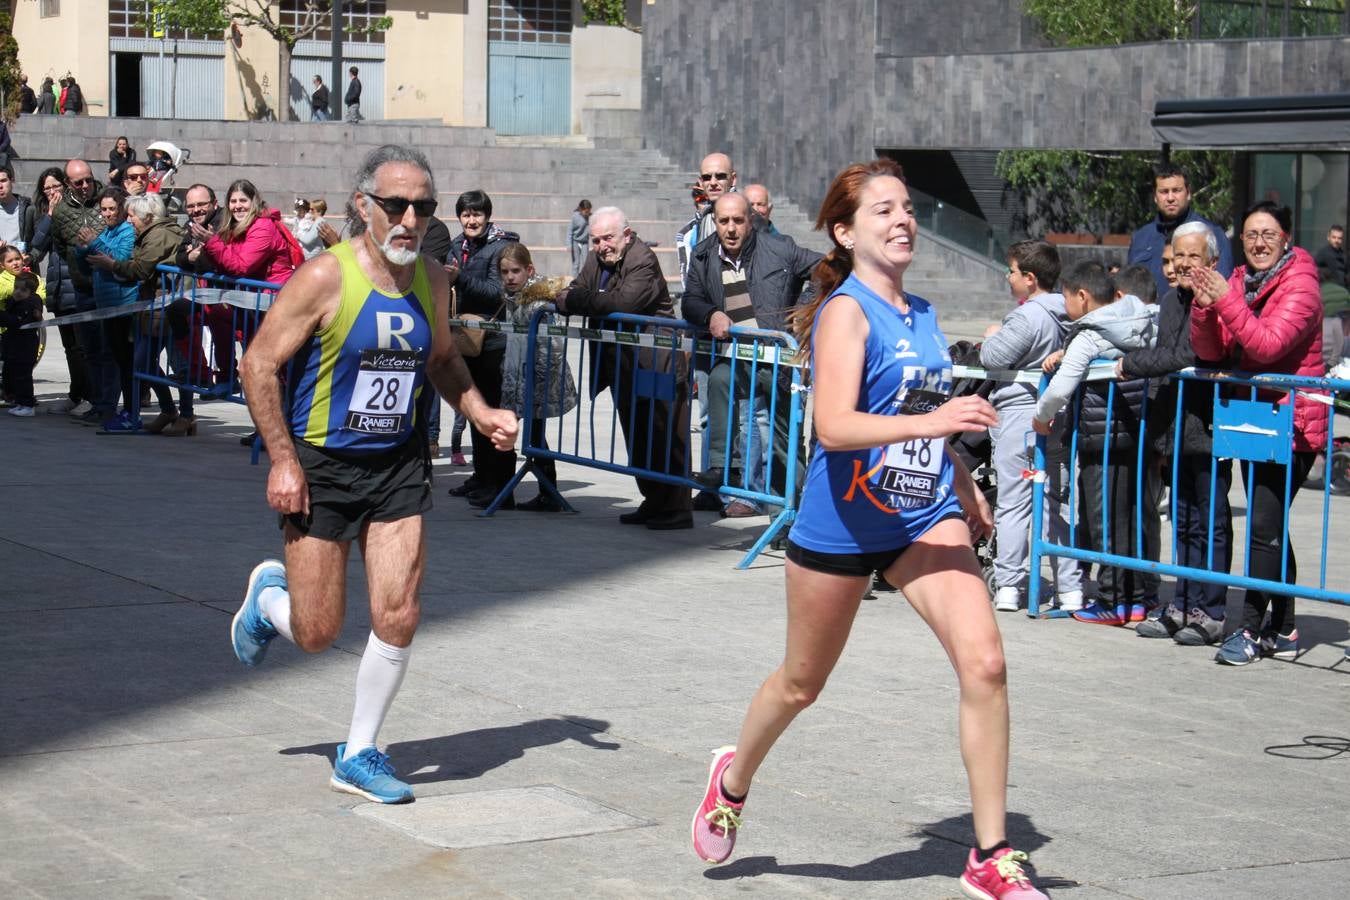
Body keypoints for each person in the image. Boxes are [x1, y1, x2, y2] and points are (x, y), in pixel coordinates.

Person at [689, 159, 1048, 899]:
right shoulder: (845, 312)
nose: (903, 219)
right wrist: (944, 421)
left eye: (908, 207)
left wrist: (957, 478)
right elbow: (835, 424)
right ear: (847, 233)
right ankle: (733, 779)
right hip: (843, 527)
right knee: (800, 684)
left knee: (985, 665)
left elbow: (918, 414)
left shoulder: (921, 315)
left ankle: (989, 854)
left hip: (922, 516)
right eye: (883, 210)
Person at [230, 144, 518, 804]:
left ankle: (359, 750)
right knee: (317, 632)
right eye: (396, 205)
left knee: (400, 611)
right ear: (364, 206)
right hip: (322, 465)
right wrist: (281, 461)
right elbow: (258, 364)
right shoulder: (325, 277)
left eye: (423, 206)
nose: (410, 219)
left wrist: (480, 412)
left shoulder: (433, 278)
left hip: (397, 465)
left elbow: (443, 360)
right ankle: (269, 600)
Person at [1190, 202, 1325, 666]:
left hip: (1294, 426)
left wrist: (1224, 302)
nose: (1259, 243)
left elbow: (1267, 345)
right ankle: (1284, 624)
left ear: (1285, 238)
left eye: (1268, 233)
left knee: (1263, 528)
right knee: (1271, 528)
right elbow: (1214, 351)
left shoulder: (1302, 285)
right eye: (1250, 235)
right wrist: (1205, 309)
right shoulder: (1239, 283)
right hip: (1256, 420)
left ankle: (1245, 629)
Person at [1119, 223, 1233, 645]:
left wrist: (1136, 362)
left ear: (1213, 263)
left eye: (1193, 256)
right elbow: (1173, 356)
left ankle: (1213, 610)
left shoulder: (1219, 302)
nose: (1183, 264)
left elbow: (1189, 355)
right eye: (1177, 256)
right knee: (1183, 520)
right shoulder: (1170, 302)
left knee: (1212, 521)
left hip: (1209, 425)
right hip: (1176, 427)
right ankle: (1183, 601)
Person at [555, 206, 694, 529]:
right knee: (638, 436)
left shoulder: (642, 259)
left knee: (665, 437)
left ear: (627, 235)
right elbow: (579, 287)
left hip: (656, 361)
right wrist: (579, 296)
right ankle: (653, 500)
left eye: (608, 238)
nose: (602, 246)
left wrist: (575, 300)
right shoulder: (596, 259)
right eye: (596, 240)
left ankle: (676, 508)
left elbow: (621, 303)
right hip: (624, 365)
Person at [1032, 260, 1155, 625]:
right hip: (1138, 433)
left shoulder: (1090, 332)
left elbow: (1061, 388)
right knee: (1132, 520)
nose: (1066, 307)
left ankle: (1112, 601)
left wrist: (1041, 416)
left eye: (1067, 299)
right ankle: (1138, 597)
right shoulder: (1143, 320)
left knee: (1103, 523)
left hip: (1099, 437)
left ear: (1083, 297)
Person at [681, 192, 819, 517]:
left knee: (782, 441)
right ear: (714, 222)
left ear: (751, 221)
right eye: (723, 221)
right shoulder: (702, 256)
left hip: (778, 359)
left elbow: (826, 270)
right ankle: (720, 467)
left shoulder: (780, 249)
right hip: (740, 357)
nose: (730, 229)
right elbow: (690, 300)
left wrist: (801, 312)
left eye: (738, 221)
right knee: (718, 380)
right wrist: (711, 314)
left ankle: (787, 518)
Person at [979, 239, 1082, 613]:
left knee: (1014, 504)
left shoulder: (1028, 317)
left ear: (1030, 278)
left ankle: (1009, 584)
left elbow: (994, 356)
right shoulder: (1069, 313)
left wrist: (990, 336)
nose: (1008, 277)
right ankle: (1070, 586)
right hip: (1058, 415)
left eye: (1012, 271)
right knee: (1057, 501)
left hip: (1022, 415)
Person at [84, 192, 190, 435]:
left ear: (149, 216)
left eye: (131, 215)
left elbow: (139, 268)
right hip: (152, 306)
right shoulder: (147, 234)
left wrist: (111, 264)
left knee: (177, 364)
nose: (128, 220)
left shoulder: (159, 235)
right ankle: (168, 410)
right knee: (143, 362)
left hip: (166, 306)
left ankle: (185, 414)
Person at [446, 189, 520, 507]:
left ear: (487, 216)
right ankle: (482, 476)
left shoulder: (501, 248)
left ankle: (502, 487)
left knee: (493, 412)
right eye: (466, 214)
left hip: (494, 344)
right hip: (467, 341)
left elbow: (496, 292)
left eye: (477, 214)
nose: (471, 220)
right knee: (474, 411)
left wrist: (460, 278)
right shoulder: (456, 246)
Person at [498, 243, 577, 511]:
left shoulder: (538, 303)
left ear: (529, 270)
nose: (510, 277)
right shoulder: (515, 296)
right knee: (534, 438)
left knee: (535, 438)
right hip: (522, 377)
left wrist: (534, 382)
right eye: (505, 272)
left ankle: (549, 492)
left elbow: (550, 349)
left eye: (515, 271)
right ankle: (547, 492)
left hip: (539, 382)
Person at [26, 166, 93, 414]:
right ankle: (76, 394)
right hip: (58, 286)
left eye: (56, 186)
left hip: (77, 283)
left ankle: (90, 395)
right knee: (70, 347)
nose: (52, 192)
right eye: (47, 189)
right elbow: (37, 245)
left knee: (84, 345)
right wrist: (51, 215)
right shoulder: (46, 214)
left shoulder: (79, 209)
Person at [73, 187, 137, 431]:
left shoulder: (126, 231)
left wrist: (95, 243)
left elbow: (119, 259)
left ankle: (115, 406)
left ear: (121, 209)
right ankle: (103, 404)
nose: (108, 214)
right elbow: (90, 267)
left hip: (123, 304)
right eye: (104, 209)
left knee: (118, 359)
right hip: (105, 303)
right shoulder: (107, 232)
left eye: (112, 209)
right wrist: (81, 250)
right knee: (105, 355)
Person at [1127, 161, 1233, 301]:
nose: (1170, 198)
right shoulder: (1141, 238)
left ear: (1188, 193)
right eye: (1164, 192)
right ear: (1155, 196)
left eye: (1176, 191)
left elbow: (1222, 289)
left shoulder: (1210, 234)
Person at [191, 179, 298, 286]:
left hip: (271, 294)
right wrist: (208, 246)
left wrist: (212, 243)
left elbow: (241, 267)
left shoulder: (263, 227)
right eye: (233, 201)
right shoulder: (234, 226)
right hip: (250, 293)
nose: (237, 206)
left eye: (243, 200)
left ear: (253, 203)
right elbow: (224, 264)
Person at [0, 272, 43, 416]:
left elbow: (16, 322)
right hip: (14, 346)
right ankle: (19, 402)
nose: (18, 292)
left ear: (31, 292)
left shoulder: (29, 305)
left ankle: (27, 405)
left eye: (23, 290)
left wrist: (3, 316)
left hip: (25, 348)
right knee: (14, 376)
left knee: (23, 377)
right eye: (16, 288)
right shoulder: (14, 302)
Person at [0, 165, 36, 254]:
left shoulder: (28, 209)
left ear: (12, 180)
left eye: (3, 181)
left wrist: (30, 256)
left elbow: (40, 243)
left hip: (24, 264)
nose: (0, 186)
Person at [1313, 224, 1345, 288]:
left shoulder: (1344, 255)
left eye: (1339, 238)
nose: (1336, 240)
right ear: (1328, 237)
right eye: (1334, 237)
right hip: (1327, 291)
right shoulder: (1323, 254)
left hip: (1342, 291)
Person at [569, 199, 591, 275]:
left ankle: (585, 280)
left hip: (585, 242)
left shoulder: (590, 217)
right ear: (581, 210)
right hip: (576, 241)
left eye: (588, 212)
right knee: (576, 263)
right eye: (586, 212)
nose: (587, 213)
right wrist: (569, 245)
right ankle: (575, 280)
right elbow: (570, 231)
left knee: (585, 262)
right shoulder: (575, 217)